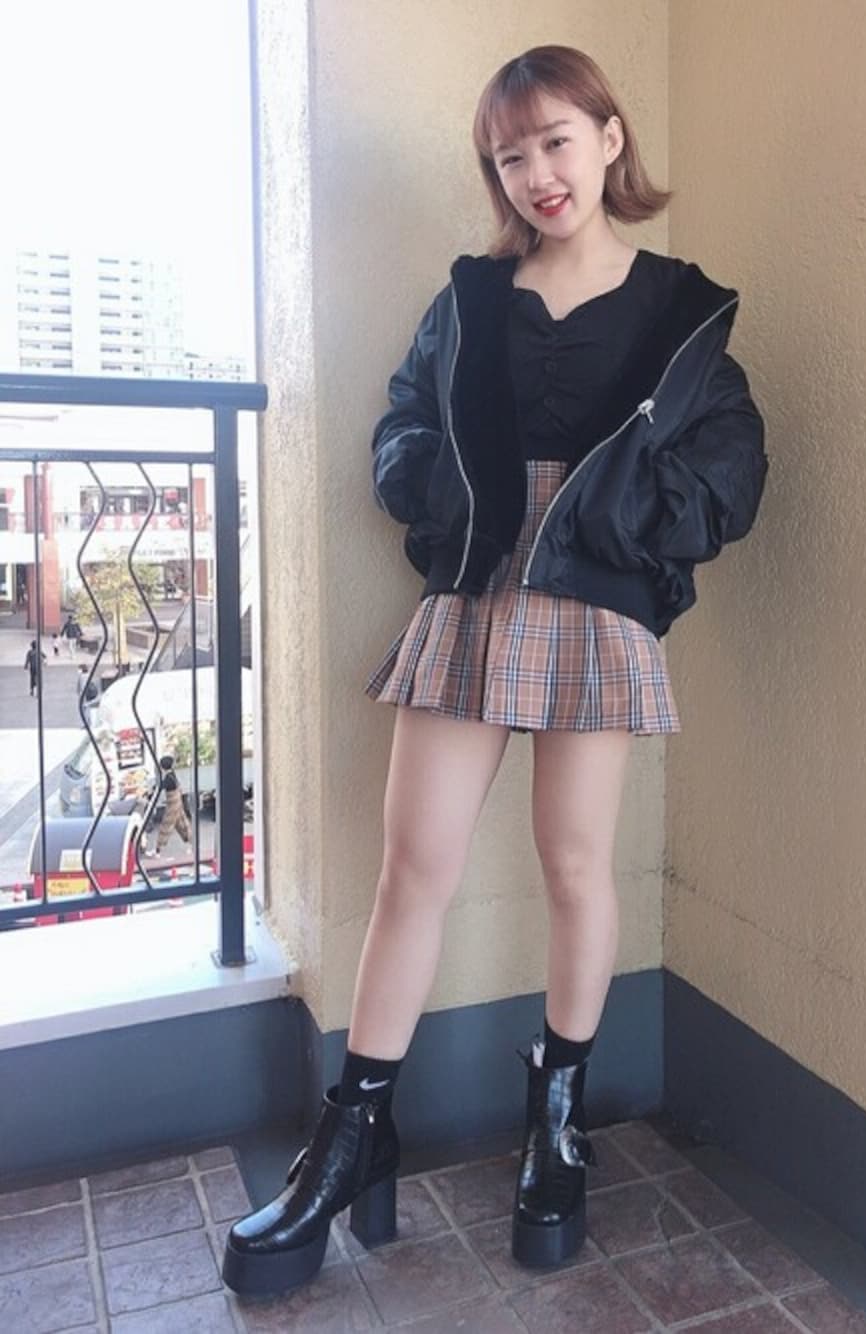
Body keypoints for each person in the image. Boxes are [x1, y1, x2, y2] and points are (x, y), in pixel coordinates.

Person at [223, 44, 768, 1298]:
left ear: (610, 137)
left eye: (554, 140)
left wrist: (626, 524)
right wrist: (439, 497)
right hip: (476, 590)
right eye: (508, 155)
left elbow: (730, 461)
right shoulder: (470, 296)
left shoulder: (681, 307)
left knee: (575, 864)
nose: (535, 173)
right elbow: (405, 423)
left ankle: (556, 1121)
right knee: (413, 862)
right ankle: (353, 1133)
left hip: (594, 595)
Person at [147, 755, 192, 857]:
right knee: (182, 825)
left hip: (172, 804)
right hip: (177, 802)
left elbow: (160, 787)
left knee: (165, 826)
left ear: (162, 767)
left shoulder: (168, 778)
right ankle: (191, 845)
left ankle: (157, 850)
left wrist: (150, 792)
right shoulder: (171, 774)